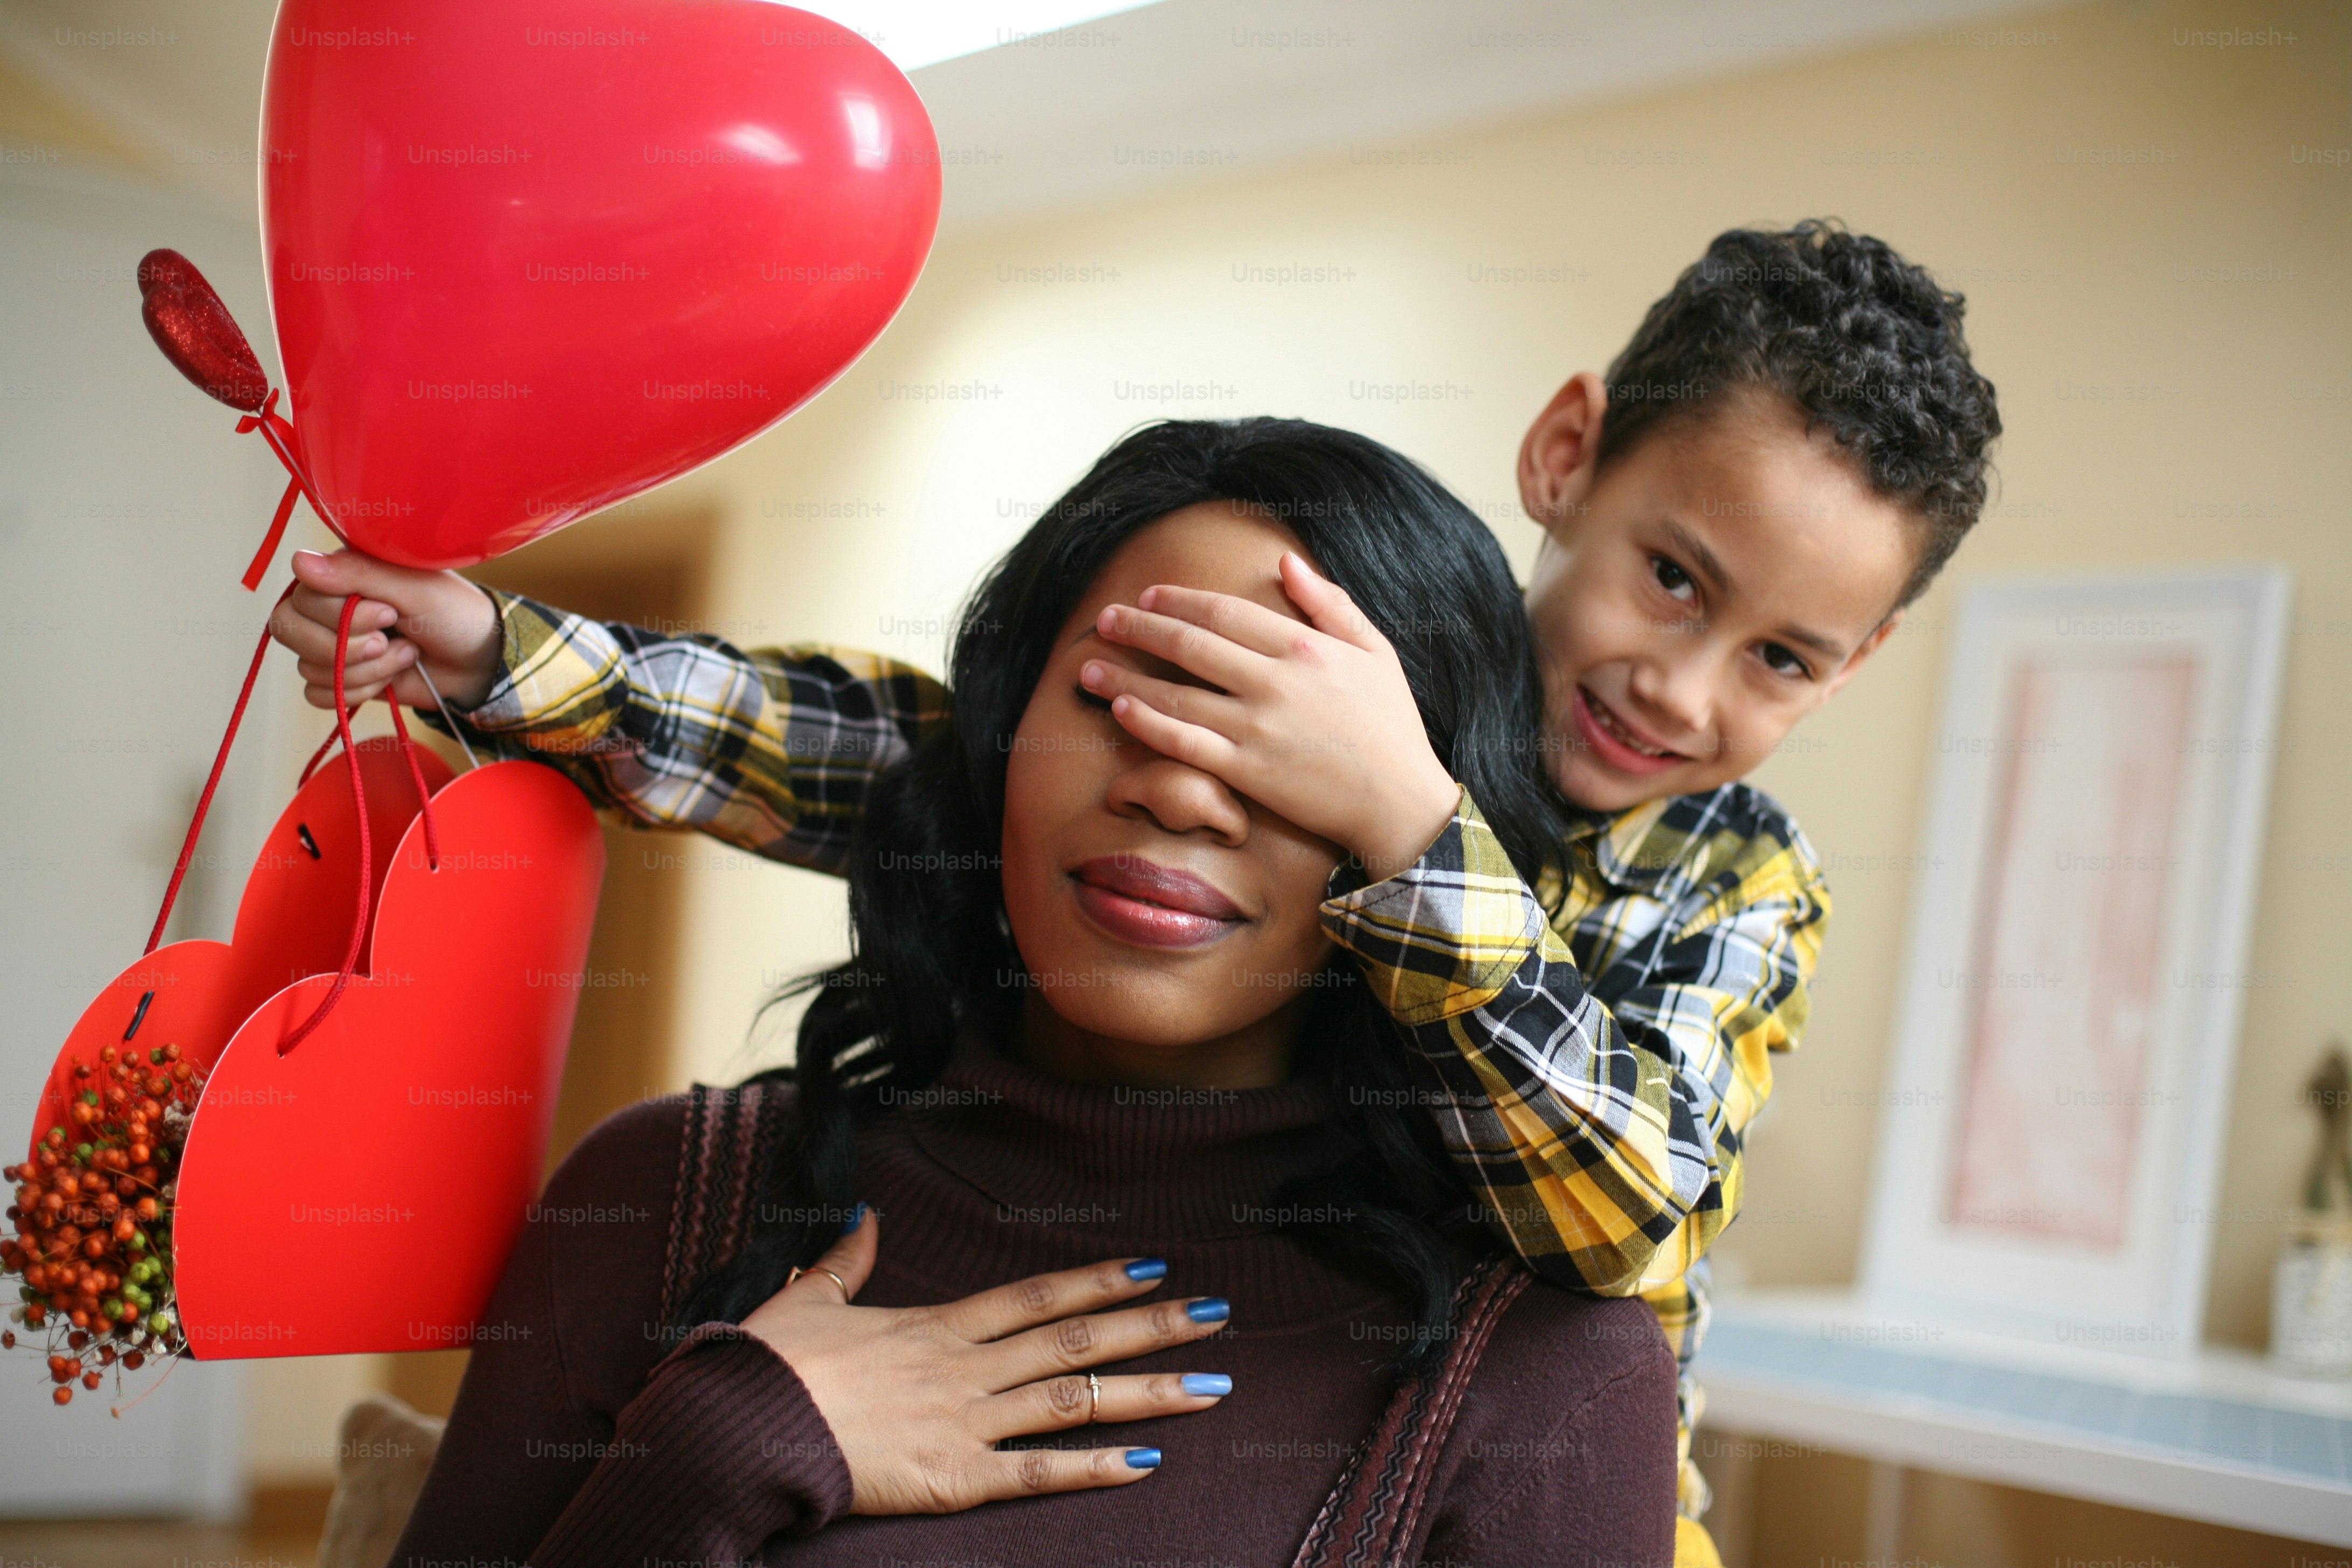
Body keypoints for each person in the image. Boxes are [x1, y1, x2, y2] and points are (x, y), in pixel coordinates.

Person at [277, 220, 2000, 1564]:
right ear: (1568, 456)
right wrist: (503, 656)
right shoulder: (675, 1192)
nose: (1682, 692)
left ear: (1853, 670)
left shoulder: (1731, 882)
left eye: (1780, 657)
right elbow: (871, 746)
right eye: (1672, 580)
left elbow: (1624, 1222)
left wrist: (1406, 824)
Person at [386, 419, 1678, 1566]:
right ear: (1000, 741)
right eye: (1124, 693)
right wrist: (722, 1445)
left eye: (1284, 747)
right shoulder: (665, 1194)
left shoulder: (1541, 1376)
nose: (1175, 786)